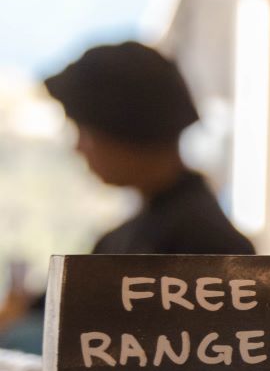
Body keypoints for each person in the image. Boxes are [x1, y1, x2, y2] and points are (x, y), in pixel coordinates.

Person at [0, 42, 254, 348]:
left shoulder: (210, 248)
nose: (78, 147)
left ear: (129, 130)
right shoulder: (129, 236)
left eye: (86, 131)